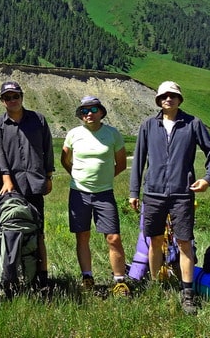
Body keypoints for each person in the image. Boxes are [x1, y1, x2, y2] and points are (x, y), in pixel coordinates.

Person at [129, 81, 210, 315]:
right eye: (164, 96)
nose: (168, 99)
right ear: (159, 100)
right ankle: (155, 285)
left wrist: (208, 178)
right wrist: (133, 192)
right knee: (155, 241)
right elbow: (138, 161)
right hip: (154, 193)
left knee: (184, 242)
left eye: (173, 95)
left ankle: (187, 293)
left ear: (179, 99)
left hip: (182, 193)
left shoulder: (192, 124)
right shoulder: (149, 125)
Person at [61, 96, 130, 296]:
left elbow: (121, 164)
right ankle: (87, 277)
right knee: (82, 235)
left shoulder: (112, 134)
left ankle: (119, 281)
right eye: (84, 111)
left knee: (113, 237)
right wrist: (77, 177)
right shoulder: (74, 134)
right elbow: (65, 159)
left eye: (92, 110)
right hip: (79, 193)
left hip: (104, 193)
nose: (88, 114)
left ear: (101, 112)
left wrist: (105, 178)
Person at [0, 80, 55, 288]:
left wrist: (49, 175)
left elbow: (48, 147)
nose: (12, 100)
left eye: (15, 96)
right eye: (7, 97)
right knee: (10, 229)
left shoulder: (38, 120)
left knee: (37, 230)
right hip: (11, 188)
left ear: (22, 97)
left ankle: (41, 277)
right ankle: (8, 276)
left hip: (35, 183)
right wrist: (6, 178)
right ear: (2, 101)